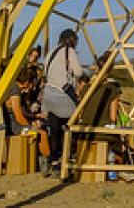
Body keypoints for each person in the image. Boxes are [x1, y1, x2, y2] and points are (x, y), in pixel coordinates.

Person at [42, 29, 84, 175]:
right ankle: (65, 159)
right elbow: (78, 72)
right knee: (68, 128)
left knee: (53, 129)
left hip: (48, 94)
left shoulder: (51, 52)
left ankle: (53, 160)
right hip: (63, 94)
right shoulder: (69, 51)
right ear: (71, 39)